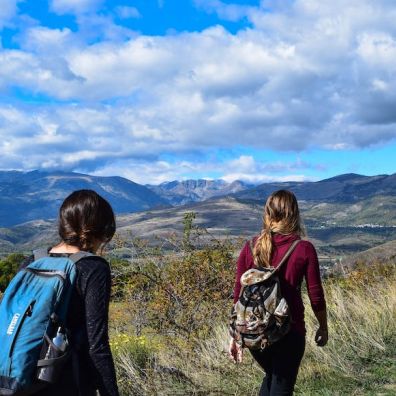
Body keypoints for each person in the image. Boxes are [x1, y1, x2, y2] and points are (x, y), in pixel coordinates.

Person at [19, 189, 119, 396]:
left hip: (21, 378)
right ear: (101, 230)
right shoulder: (93, 268)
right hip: (67, 381)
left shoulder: (33, 261)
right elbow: (97, 345)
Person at [228, 190, 328, 396]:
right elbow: (315, 295)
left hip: (255, 332)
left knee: (272, 378)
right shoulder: (304, 248)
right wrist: (323, 326)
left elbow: (238, 296)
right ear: (294, 214)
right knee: (280, 386)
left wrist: (235, 335)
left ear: (267, 213)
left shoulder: (250, 246)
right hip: (289, 332)